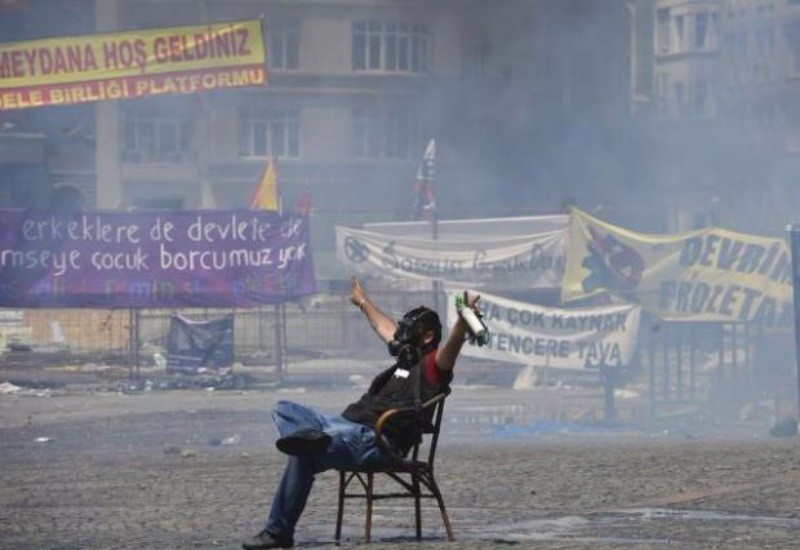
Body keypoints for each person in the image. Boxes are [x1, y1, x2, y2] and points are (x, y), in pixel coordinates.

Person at [242, 276, 480, 549]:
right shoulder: (406, 356)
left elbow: (453, 345)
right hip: (345, 425)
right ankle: (312, 438)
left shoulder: (433, 366)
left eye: (410, 330)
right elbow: (385, 327)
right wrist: (362, 301)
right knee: (284, 408)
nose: (401, 333)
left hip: (374, 441)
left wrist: (463, 321)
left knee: (302, 453)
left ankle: (278, 533)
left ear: (427, 337)